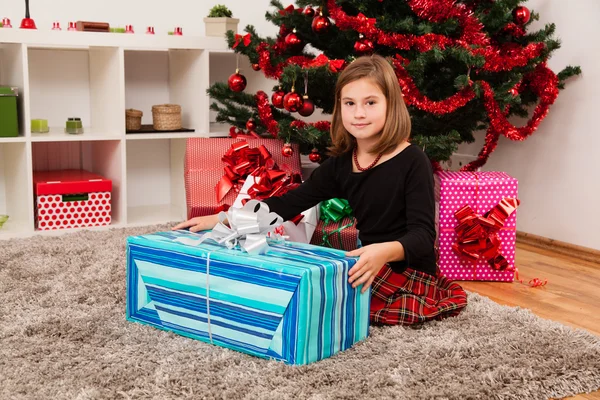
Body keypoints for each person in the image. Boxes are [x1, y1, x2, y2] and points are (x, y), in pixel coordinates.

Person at [173, 54, 467, 326]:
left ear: (391, 104)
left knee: (324, 308)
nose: (359, 113)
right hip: (366, 262)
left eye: (371, 103)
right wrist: (224, 218)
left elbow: (422, 237)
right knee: (292, 292)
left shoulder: (412, 160)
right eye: (349, 103)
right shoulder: (341, 164)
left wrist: (383, 253)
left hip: (407, 270)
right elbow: (288, 204)